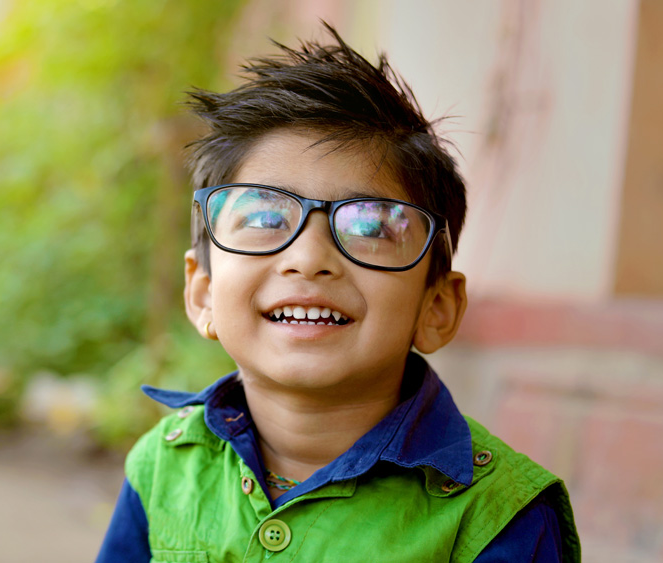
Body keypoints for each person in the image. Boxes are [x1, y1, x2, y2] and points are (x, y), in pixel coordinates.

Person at [96, 24, 579, 562]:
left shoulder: (499, 520)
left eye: (372, 226)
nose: (308, 259)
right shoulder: (161, 470)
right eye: (262, 216)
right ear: (204, 293)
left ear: (436, 307)